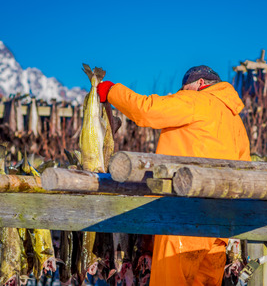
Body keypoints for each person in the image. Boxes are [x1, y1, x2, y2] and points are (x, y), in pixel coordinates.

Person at [97, 65, 251, 286]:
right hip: (219, 227)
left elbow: (146, 110)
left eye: (184, 88)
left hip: (184, 217)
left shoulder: (197, 101)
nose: (180, 93)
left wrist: (111, 91)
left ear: (200, 84)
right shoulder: (236, 121)